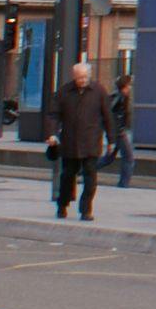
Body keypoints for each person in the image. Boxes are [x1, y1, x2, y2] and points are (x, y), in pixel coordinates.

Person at [47, 60, 110, 221]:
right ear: (73, 77)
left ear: (89, 76)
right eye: (79, 77)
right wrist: (52, 134)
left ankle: (86, 210)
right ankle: (62, 204)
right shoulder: (64, 92)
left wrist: (111, 139)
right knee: (67, 176)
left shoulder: (99, 91)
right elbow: (54, 114)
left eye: (84, 77)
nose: (82, 80)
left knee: (90, 178)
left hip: (91, 142)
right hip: (70, 142)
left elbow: (107, 116)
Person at [109, 71, 136, 189]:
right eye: (128, 86)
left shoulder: (123, 97)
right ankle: (124, 183)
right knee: (129, 157)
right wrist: (118, 130)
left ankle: (84, 172)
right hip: (119, 132)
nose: (130, 88)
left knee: (108, 159)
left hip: (119, 131)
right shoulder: (118, 98)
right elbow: (111, 116)